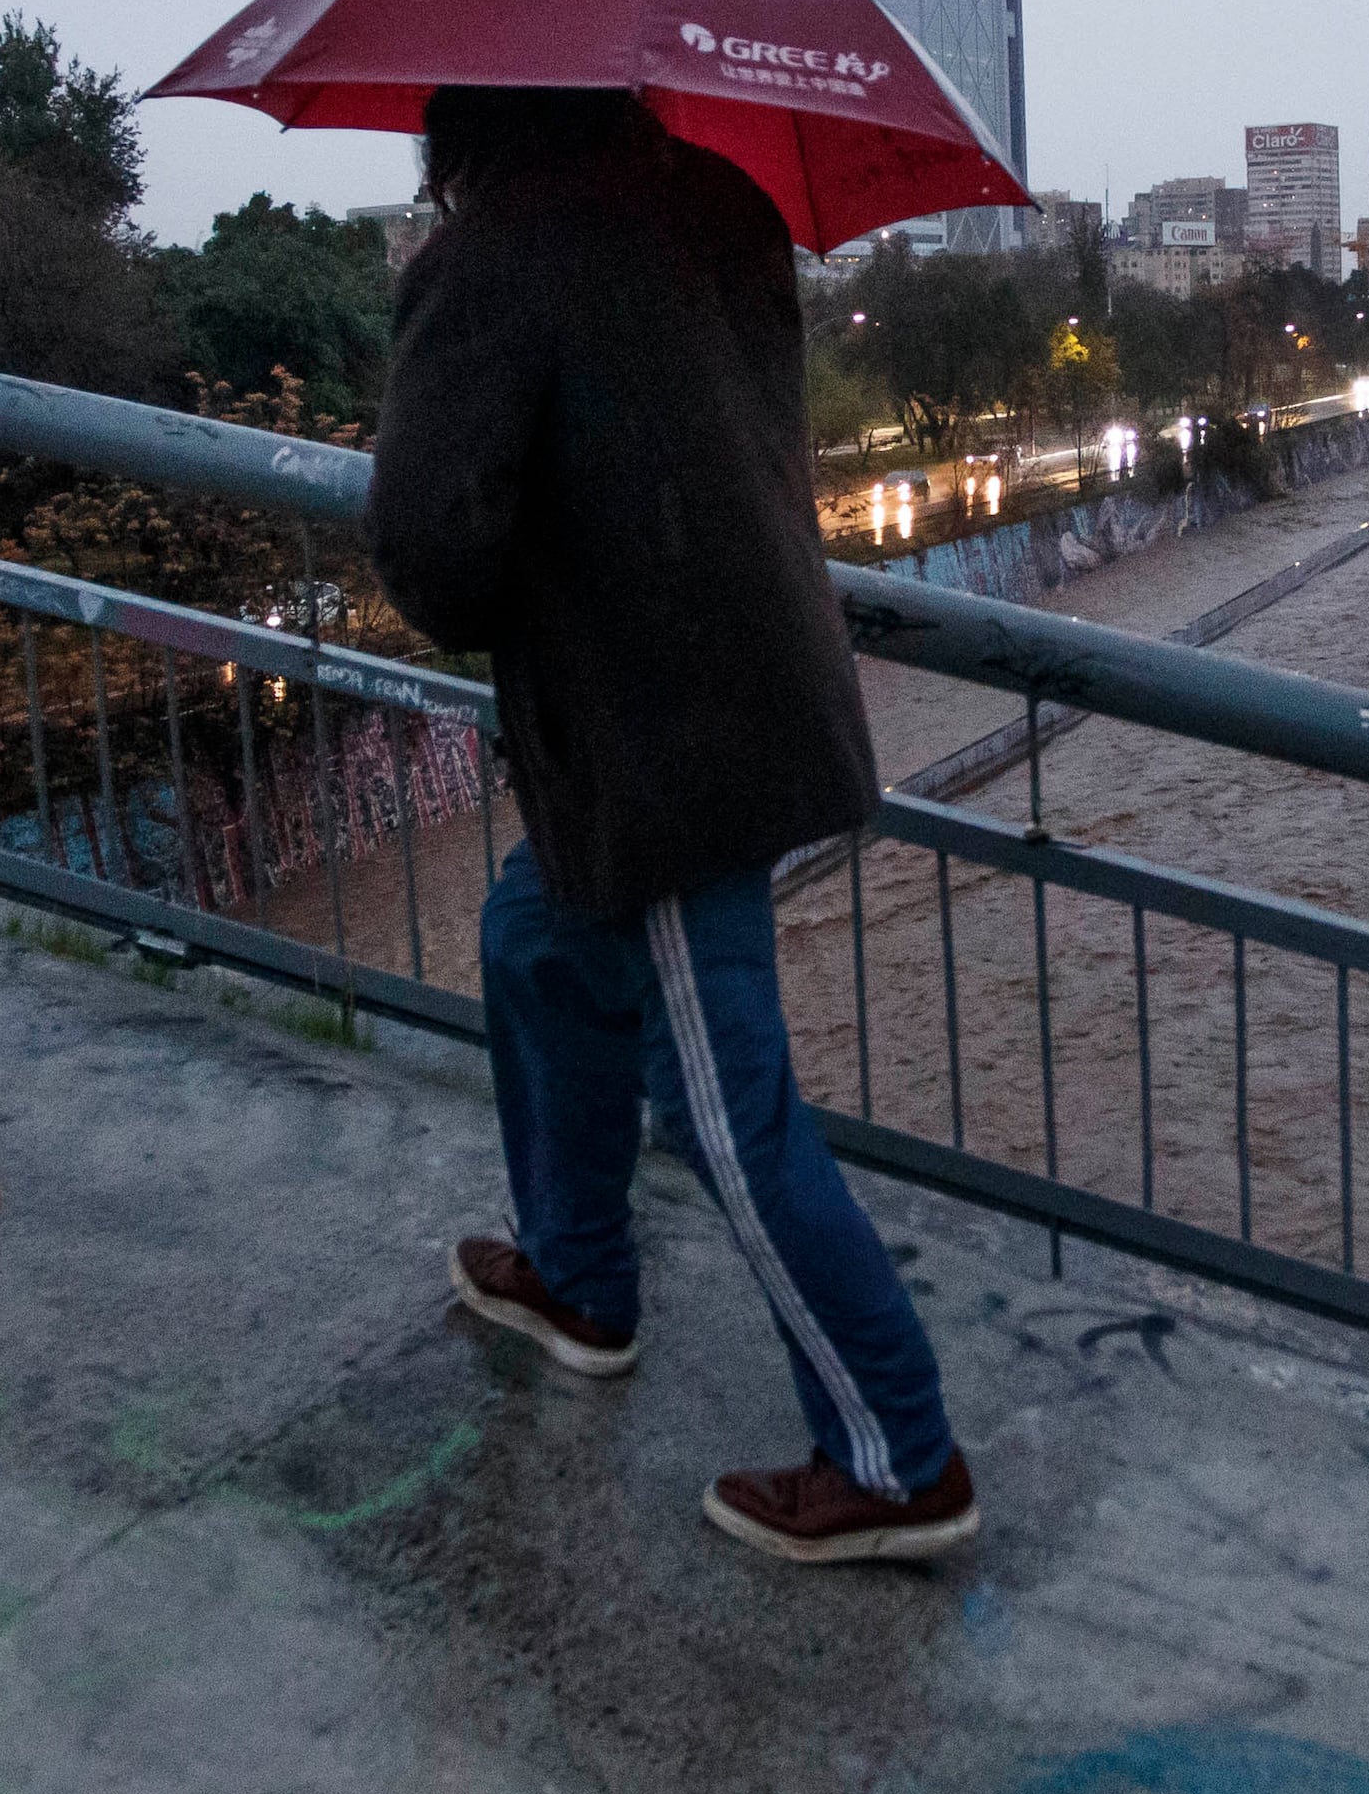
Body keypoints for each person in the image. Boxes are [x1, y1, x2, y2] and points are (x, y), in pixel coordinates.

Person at [364, 84, 976, 1564]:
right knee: (530, 933)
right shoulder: (723, 210)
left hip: (661, 748)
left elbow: (435, 560)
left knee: (722, 1102)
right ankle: (578, 1274)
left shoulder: (493, 258)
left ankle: (899, 1455)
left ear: (465, 128)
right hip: (750, 688)